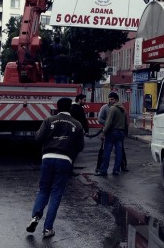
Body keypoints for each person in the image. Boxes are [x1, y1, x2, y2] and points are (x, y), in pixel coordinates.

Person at [26, 97, 84, 238]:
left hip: (48, 158)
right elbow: (80, 146)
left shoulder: (49, 120)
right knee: (56, 193)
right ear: (70, 108)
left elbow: (38, 138)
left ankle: (35, 217)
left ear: (57, 107)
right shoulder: (77, 124)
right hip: (65, 160)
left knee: (43, 190)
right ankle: (48, 229)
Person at [96, 92, 128, 176]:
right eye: (109, 99)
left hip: (111, 132)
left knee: (107, 152)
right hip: (120, 132)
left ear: (116, 99)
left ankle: (103, 170)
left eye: (112, 99)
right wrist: (125, 132)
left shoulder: (113, 109)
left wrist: (103, 133)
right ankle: (116, 170)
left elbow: (109, 122)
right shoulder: (123, 109)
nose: (110, 101)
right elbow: (126, 122)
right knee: (119, 152)